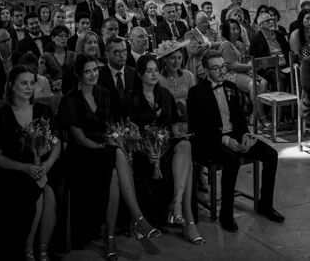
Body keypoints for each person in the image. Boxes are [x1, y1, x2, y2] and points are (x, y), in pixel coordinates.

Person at [58, 55, 161, 258]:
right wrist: (104, 147)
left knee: (114, 172)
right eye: (87, 71)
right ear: (79, 75)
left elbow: (110, 126)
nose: (93, 74)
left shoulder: (103, 94)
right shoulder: (70, 100)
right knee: (116, 155)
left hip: (104, 151)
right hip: (81, 156)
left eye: (95, 70)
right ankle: (137, 219)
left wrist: (118, 139)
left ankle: (111, 236)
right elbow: (79, 138)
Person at [187, 49, 285, 232]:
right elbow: (199, 129)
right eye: (216, 68)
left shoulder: (231, 87)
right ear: (206, 71)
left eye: (223, 66)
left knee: (271, 154)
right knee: (232, 160)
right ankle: (226, 214)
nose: (222, 71)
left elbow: (239, 118)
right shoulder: (196, 92)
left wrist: (246, 136)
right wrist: (225, 140)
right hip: (210, 142)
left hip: (234, 135)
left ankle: (265, 204)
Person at [125, 55, 205, 246]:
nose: (154, 74)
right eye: (149, 71)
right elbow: (129, 136)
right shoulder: (130, 99)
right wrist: (148, 149)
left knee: (185, 146)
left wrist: (179, 134)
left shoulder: (165, 95)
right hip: (143, 152)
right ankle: (188, 220)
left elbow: (174, 126)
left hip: (166, 147)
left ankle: (177, 203)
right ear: (140, 74)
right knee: (187, 167)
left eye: (156, 70)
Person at [0, 65, 61, 260]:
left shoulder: (43, 110)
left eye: (32, 83)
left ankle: (43, 249)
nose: (28, 87)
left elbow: (56, 143)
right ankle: (27, 250)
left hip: (43, 168)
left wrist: (48, 165)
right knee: (36, 195)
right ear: (11, 85)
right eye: (23, 83)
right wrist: (25, 168)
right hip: (14, 172)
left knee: (50, 194)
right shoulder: (1, 117)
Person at [98, 36, 137, 119]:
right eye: (117, 52)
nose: (122, 56)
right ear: (107, 55)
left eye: (124, 51)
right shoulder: (98, 76)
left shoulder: (134, 74)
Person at [156, 39, 196, 119]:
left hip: (189, 117)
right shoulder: (158, 80)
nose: (177, 62)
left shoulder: (189, 76)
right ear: (164, 59)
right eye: (172, 58)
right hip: (168, 119)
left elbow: (195, 101)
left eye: (179, 58)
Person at [43, 24, 75, 93]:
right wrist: (52, 82)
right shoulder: (45, 57)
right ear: (53, 38)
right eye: (60, 36)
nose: (64, 38)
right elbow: (42, 76)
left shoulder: (73, 55)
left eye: (66, 36)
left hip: (70, 92)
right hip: (51, 92)